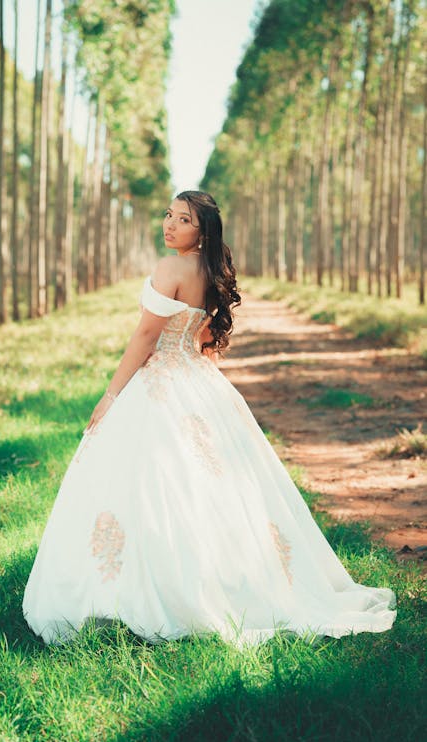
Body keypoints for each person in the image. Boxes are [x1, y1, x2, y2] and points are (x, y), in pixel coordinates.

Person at [22, 190, 397, 648]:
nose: (170, 225)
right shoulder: (207, 269)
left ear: (201, 231)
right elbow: (199, 337)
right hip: (197, 380)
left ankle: (148, 590)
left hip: (159, 380)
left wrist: (110, 394)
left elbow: (145, 337)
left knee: (153, 481)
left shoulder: (170, 269)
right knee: (209, 485)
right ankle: (222, 576)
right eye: (168, 215)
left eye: (183, 220)